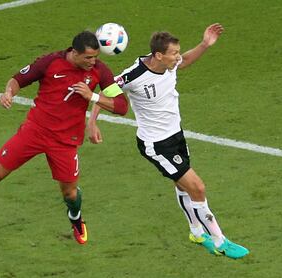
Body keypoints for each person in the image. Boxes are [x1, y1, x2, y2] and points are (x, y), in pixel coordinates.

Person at [0, 30, 128, 245]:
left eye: (96, 57)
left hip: (65, 141)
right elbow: (18, 79)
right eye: (88, 57)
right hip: (35, 131)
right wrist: (9, 93)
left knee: (70, 194)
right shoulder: (50, 62)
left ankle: (76, 219)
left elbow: (122, 106)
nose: (93, 61)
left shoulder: (99, 71)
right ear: (74, 52)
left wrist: (93, 96)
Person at [88, 24, 249, 258]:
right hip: (156, 144)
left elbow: (184, 62)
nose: (178, 57)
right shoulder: (133, 75)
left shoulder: (170, 64)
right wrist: (92, 122)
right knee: (198, 187)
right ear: (158, 55)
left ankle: (196, 232)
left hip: (176, 135)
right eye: (174, 53)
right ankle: (220, 240)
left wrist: (204, 45)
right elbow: (105, 93)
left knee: (182, 185)